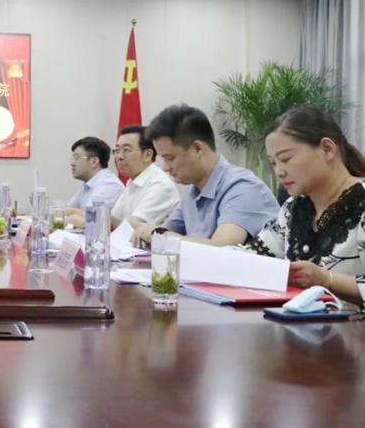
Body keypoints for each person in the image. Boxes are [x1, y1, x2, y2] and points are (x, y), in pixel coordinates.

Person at [245, 108, 365, 305]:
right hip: (295, 321)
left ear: (327, 149)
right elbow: (253, 255)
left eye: (286, 159)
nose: (279, 172)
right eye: (273, 163)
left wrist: (327, 280)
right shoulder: (293, 208)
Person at [131, 104, 279, 246]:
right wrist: (151, 234)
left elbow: (221, 249)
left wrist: (161, 236)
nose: (166, 168)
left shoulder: (243, 188)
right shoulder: (193, 191)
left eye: (170, 158)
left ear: (197, 149)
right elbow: (167, 231)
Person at [66, 136, 124, 212]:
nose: (72, 163)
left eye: (77, 158)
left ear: (94, 161)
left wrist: (69, 212)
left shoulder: (109, 184)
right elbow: (67, 209)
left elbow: (91, 217)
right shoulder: (88, 184)